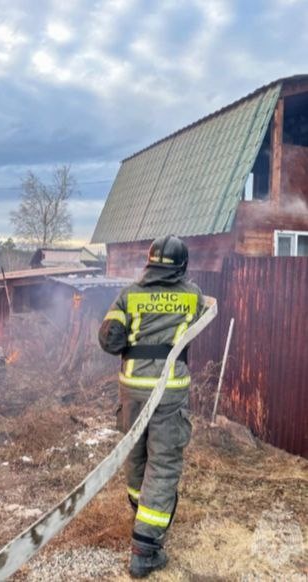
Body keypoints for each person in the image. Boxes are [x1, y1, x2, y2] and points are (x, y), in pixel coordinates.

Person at [98, 235, 205, 578]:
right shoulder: (193, 295)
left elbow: (109, 340)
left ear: (149, 262)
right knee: (163, 462)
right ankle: (145, 550)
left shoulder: (129, 294)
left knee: (136, 453)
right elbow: (199, 319)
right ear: (182, 266)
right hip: (169, 390)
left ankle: (139, 511)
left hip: (132, 387)